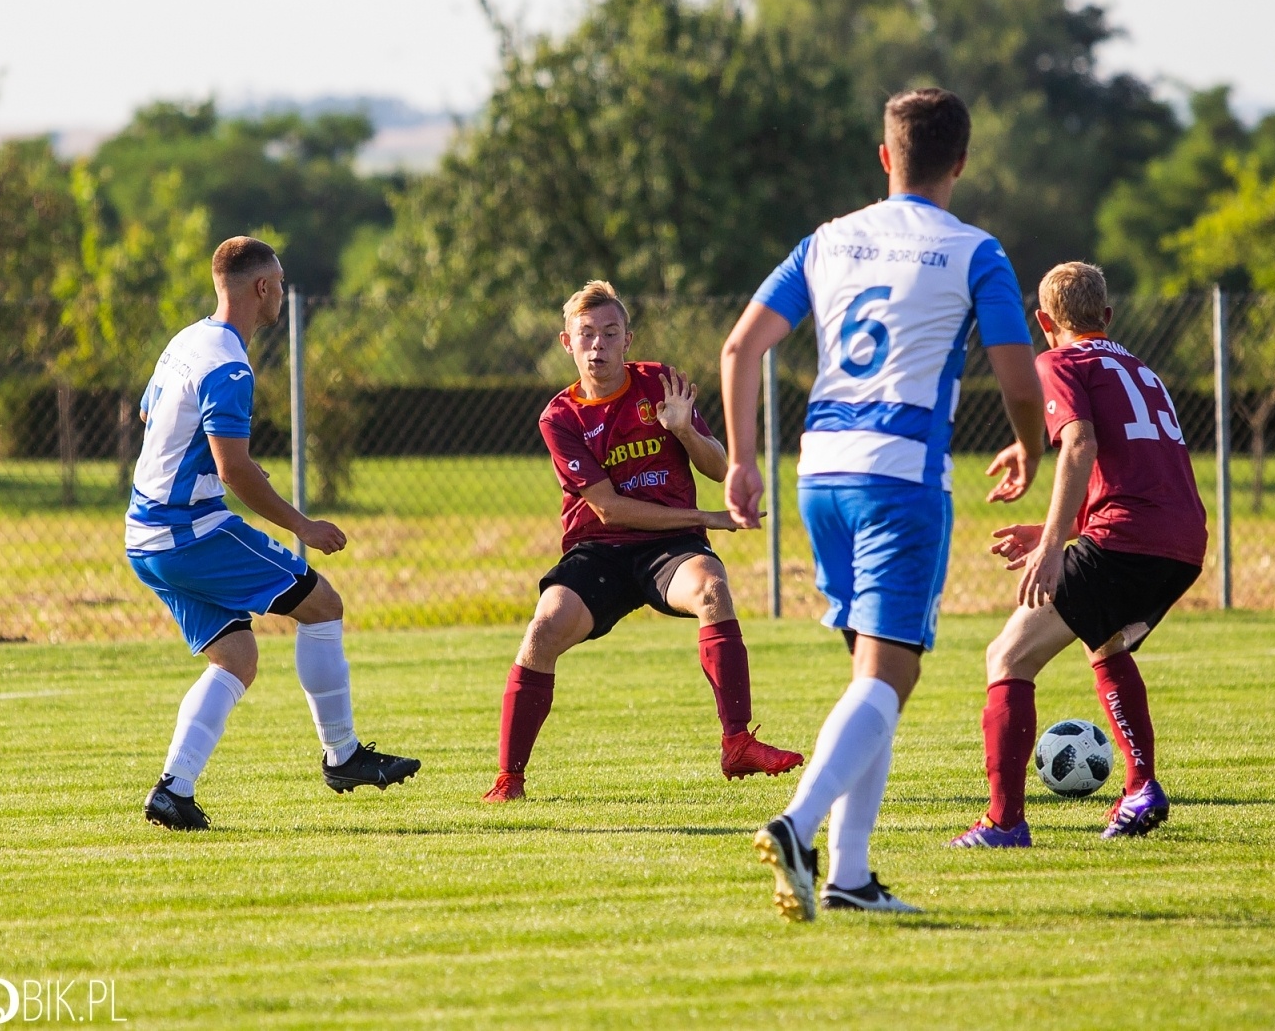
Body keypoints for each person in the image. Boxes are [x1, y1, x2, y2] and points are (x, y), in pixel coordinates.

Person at [722, 88, 1046, 920]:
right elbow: (1018, 376)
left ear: (884, 155)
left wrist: (741, 463)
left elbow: (741, 345)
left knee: (872, 680)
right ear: (962, 163)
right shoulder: (976, 251)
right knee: (890, 676)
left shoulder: (827, 241)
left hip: (819, 472)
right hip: (900, 476)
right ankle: (798, 825)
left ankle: (851, 874)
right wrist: (1030, 442)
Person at [129, 236, 419, 831]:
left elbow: (147, 414)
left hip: (143, 535)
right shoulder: (230, 364)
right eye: (280, 284)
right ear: (262, 288)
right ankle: (342, 756)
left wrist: (210, 462)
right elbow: (234, 470)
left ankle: (172, 791)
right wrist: (302, 526)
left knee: (236, 657)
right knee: (323, 605)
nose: (282, 294)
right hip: (191, 532)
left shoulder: (186, 341)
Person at [483, 280, 804, 802]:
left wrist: (684, 431)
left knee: (711, 590)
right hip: (600, 549)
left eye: (610, 333)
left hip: (669, 547)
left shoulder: (659, 383)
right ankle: (509, 780)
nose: (598, 346)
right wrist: (707, 517)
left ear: (628, 339)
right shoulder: (559, 417)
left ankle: (738, 743)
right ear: (568, 342)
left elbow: (719, 465)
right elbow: (608, 507)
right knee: (543, 627)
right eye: (586, 334)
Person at [949, 261, 1206, 849]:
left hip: (1127, 538)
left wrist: (1051, 545)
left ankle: (1004, 823)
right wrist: (1055, 528)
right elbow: (1138, 475)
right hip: (1182, 542)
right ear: (1107, 317)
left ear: (1043, 322)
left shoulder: (1057, 361)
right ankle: (1140, 787)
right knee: (1105, 641)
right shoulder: (1141, 370)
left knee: (1007, 656)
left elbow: (1081, 444)